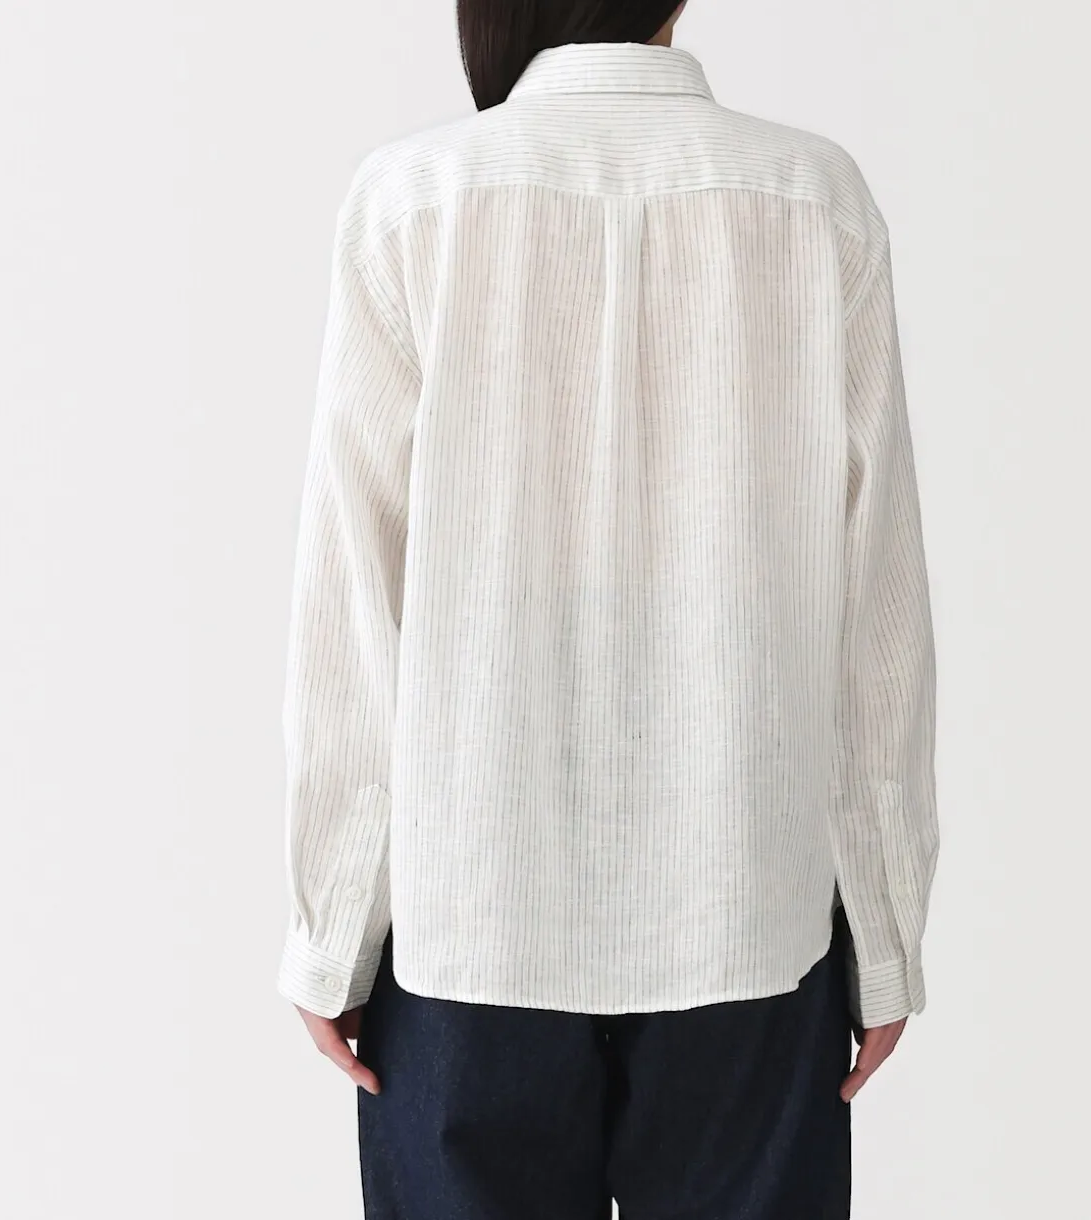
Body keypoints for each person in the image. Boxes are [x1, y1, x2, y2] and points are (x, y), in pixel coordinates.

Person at [276, 2, 939, 1216]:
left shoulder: (415, 198)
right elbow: (875, 606)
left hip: (469, 913)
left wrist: (332, 924)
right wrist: (884, 931)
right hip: (749, 903)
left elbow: (355, 606)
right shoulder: (811, 198)